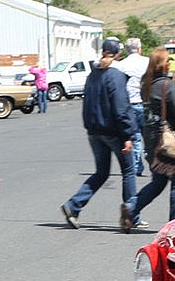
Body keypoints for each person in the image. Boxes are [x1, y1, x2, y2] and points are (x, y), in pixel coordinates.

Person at [59, 37, 138, 231]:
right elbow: (121, 108)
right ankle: (131, 214)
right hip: (113, 132)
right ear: (118, 54)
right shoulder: (115, 75)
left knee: (101, 172)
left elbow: (87, 103)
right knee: (129, 171)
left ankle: (73, 205)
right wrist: (127, 135)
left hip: (94, 131)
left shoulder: (93, 74)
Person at [130, 48, 175, 228]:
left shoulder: (146, 85)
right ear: (163, 65)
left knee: (158, 181)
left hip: (151, 141)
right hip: (169, 143)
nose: (170, 64)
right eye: (168, 61)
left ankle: (131, 208)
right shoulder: (168, 86)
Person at [112, 37, 149, 177]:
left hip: (129, 103)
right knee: (149, 136)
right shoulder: (147, 62)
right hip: (145, 102)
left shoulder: (121, 65)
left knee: (135, 137)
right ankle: (151, 162)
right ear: (139, 49)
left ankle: (137, 166)